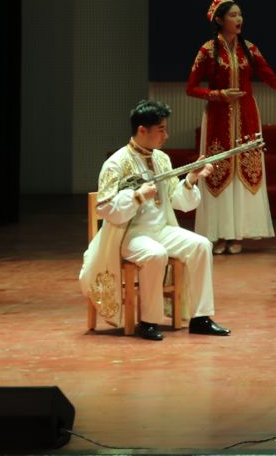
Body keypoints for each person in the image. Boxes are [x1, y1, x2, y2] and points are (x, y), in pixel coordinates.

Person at [81, 100, 229, 341]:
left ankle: (201, 318)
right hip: (128, 235)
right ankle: (149, 322)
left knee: (201, 245)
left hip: (161, 229)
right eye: (161, 130)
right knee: (155, 254)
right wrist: (137, 196)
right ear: (142, 130)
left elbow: (177, 200)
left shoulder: (162, 159)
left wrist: (191, 180)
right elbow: (105, 208)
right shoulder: (116, 163)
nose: (166, 136)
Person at [186, 0, 276, 254]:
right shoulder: (207, 51)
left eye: (240, 14)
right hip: (217, 119)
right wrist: (218, 94)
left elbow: (271, 79)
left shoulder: (250, 49)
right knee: (218, 172)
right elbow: (191, 88)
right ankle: (219, 234)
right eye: (233, 15)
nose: (239, 19)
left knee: (244, 173)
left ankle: (237, 235)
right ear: (220, 20)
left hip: (247, 118)